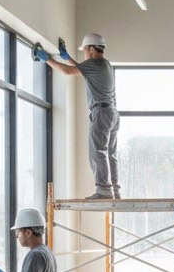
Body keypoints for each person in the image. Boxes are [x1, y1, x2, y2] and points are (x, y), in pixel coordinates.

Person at [37, 32, 119, 199]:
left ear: (91, 49)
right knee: (109, 154)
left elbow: (68, 72)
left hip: (101, 113)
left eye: (85, 51)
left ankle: (104, 190)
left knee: (97, 152)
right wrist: (67, 57)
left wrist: (46, 59)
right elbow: (81, 69)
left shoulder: (94, 64)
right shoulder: (105, 65)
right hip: (112, 114)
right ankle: (114, 190)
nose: (84, 54)